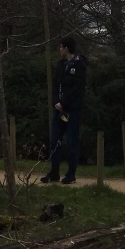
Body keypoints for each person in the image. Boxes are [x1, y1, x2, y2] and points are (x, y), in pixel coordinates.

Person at [41, 34, 87, 184]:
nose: (59, 50)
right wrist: (56, 101)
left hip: (72, 109)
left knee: (72, 141)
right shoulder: (61, 64)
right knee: (54, 139)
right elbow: (55, 85)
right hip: (59, 109)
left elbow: (77, 89)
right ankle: (54, 171)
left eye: (61, 47)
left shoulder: (80, 65)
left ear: (66, 48)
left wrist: (64, 103)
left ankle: (71, 173)